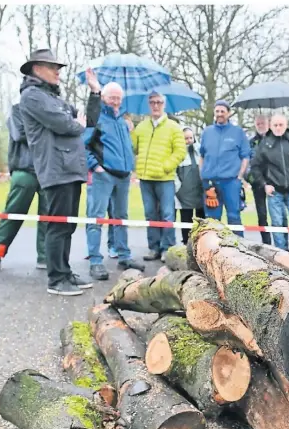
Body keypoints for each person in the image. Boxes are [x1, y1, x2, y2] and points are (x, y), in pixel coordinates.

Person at [19, 49, 92, 296]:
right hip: (55, 169)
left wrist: (95, 92)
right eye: (53, 67)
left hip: (71, 169)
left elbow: (85, 121)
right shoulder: (32, 96)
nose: (58, 72)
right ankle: (56, 279)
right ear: (37, 69)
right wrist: (76, 124)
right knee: (58, 226)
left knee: (68, 225)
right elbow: (65, 124)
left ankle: (65, 270)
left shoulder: (54, 98)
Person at [83, 78, 145, 280]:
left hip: (123, 176)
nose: (116, 102)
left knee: (121, 217)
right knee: (96, 217)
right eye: (112, 98)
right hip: (104, 175)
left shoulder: (123, 121)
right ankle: (95, 260)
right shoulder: (96, 118)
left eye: (119, 98)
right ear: (103, 98)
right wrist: (95, 166)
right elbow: (83, 145)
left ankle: (123, 255)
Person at [0, 101, 48, 272]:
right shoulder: (18, 109)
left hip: (47, 171)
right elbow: (20, 134)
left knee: (48, 216)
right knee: (13, 213)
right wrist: (48, 131)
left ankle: (44, 257)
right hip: (24, 168)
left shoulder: (49, 108)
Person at [131, 91, 187, 262]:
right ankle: (153, 248)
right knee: (150, 214)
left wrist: (166, 166)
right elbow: (133, 148)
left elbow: (180, 151)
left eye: (159, 102)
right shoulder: (141, 127)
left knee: (167, 214)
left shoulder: (173, 127)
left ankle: (167, 249)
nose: (155, 105)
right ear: (149, 104)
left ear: (164, 104)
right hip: (146, 178)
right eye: (152, 102)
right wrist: (130, 132)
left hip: (165, 179)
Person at [251, 114, 289, 255]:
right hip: (274, 191)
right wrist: (264, 185)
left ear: (286, 125)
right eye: (275, 125)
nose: (278, 128)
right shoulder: (265, 144)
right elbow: (255, 167)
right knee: (277, 224)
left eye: (281, 125)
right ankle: (281, 253)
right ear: (271, 126)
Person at [199, 99, 251, 236]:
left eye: (223, 111)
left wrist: (239, 177)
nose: (220, 114)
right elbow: (202, 156)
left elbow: (245, 156)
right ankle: (212, 251)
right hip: (211, 184)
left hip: (231, 182)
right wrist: (202, 176)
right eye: (217, 111)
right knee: (211, 221)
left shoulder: (238, 132)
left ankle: (239, 250)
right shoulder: (207, 132)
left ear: (228, 113)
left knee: (234, 217)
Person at [175, 127, 205, 245]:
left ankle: (201, 243)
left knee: (201, 219)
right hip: (184, 193)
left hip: (200, 192)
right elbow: (174, 174)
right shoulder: (179, 154)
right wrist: (179, 189)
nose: (189, 140)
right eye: (186, 138)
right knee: (186, 219)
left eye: (190, 138)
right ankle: (186, 243)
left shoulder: (200, 153)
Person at [247, 115, 272, 245]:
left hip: (273, 181)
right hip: (257, 182)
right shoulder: (251, 142)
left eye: (263, 123)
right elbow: (247, 161)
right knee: (262, 215)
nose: (261, 125)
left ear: (268, 123)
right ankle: (266, 243)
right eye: (258, 123)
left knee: (278, 216)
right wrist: (249, 177)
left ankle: (281, 244)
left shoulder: (274, 139)